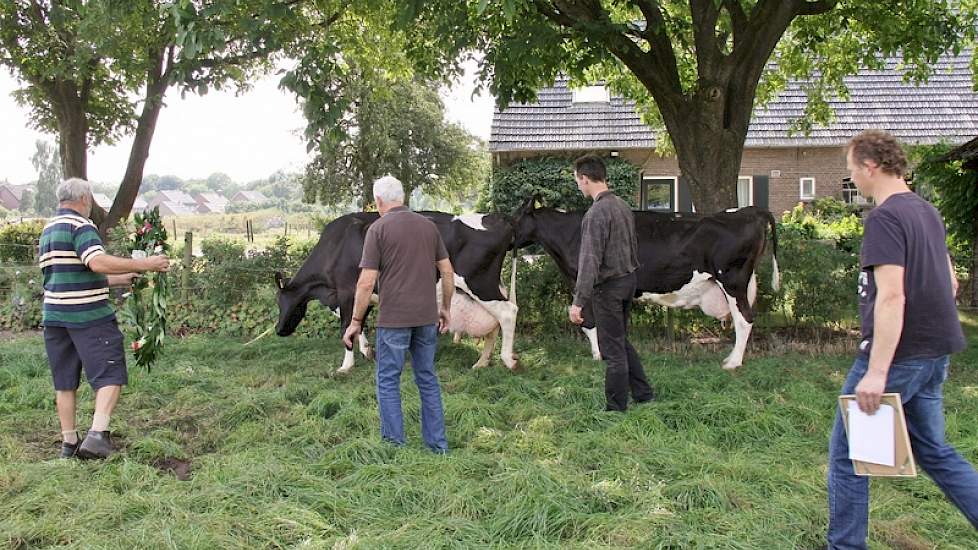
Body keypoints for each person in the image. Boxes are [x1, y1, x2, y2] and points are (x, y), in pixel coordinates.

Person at [827, 130, 976, 547]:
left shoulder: (885, 218)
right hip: (935, 353)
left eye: (853, 169)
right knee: (936, 452)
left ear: (870, 166)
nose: (852, 177)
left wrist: (876, 372)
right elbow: (951, 283)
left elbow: (892, 295)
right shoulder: (926, 210)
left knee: (848, 458)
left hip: (897, 358)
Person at [40, 178, 170, 459]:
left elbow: (70, 275)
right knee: (110, 372)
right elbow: (96, 261)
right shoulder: (81, 226)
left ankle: (69, 443)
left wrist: (120, 279)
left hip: (54, 317)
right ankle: (97, 437)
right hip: (87, 316)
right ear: (85, 199)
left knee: (64, 382)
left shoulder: (48, 229)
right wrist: (145, 263)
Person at [343, 175, 454, 453]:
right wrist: (446, 308)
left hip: (394, 320)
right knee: (427, 377)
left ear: (379, 201)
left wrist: (356, 321)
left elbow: (366, 282)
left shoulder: (377, 230)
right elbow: (448, 272)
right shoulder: (429, 227)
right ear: (402, 197)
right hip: (427, 317)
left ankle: (394, 445)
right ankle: (438, 446)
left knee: (388, 380)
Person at [568, 154, 654, 412]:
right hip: (628, 281)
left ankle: (615, 408)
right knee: (620, 340)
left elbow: (589, 262)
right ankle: (643, 393)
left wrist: (578, 302)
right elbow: (633, 248)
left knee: (611, 348)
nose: (578, 186)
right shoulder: (622, 205)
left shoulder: (596, 213)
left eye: (577, 181)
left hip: (608, 289)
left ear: (585, 179)